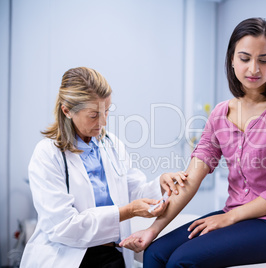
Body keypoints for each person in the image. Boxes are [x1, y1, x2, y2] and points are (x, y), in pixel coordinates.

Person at [120, 17, 266, 267]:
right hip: (237, 217)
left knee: (182, 261)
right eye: (244, 58)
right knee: (155, 253)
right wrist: (153, 230)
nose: (254, 68)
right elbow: (190, 180)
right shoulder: (220, 114)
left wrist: (229, 218)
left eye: (264, 59)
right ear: (231, 59)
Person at [20, 67, 187, 268]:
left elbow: (134, 192)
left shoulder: (111, 144)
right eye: (94, 115)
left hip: (112, 254)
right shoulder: (47, 154)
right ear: (67, 110)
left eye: (106, 111)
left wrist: (160, 184)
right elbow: (63, 227)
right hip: (68, 257)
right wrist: (128, 211)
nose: (104, 121)